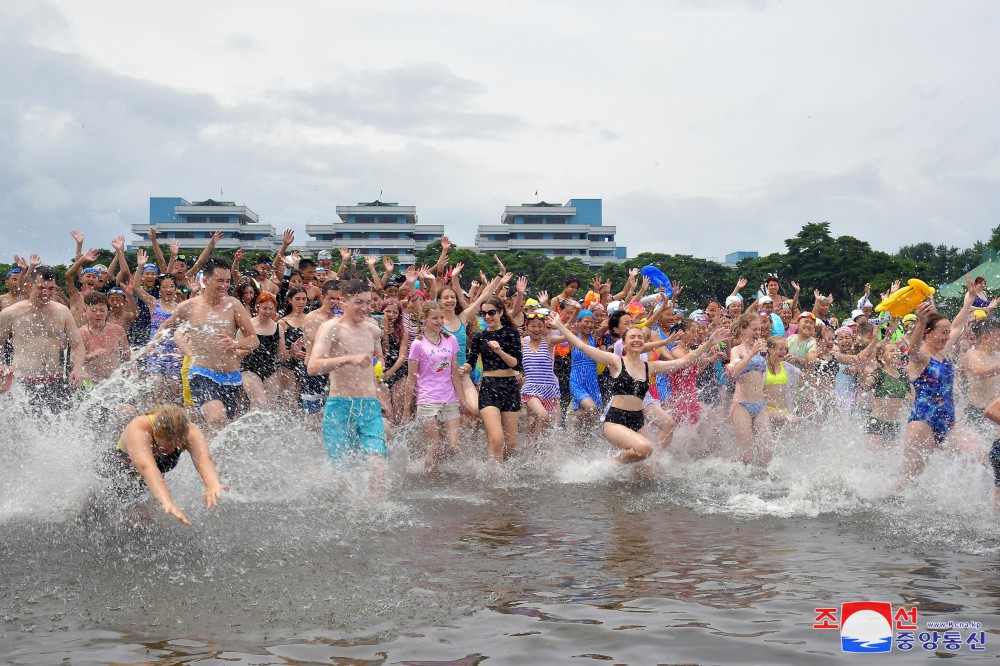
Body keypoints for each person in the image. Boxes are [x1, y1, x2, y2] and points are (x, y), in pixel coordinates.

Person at [548, 313, 728, 464]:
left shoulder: (651, 367)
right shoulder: (615, 362)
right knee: (645, 448)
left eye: (639, 337)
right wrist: (560, 326)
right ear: (623, 344)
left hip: (637, 420)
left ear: (644, 343)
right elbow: (581, 345)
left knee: (646, 471)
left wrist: (709, 342)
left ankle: (617, 469)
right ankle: (608, 468)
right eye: (632, 337)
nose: (636, 339)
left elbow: (683, 361)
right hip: (616, 420)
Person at [148, 257, 258, 428]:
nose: (225, 285)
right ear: (206, 281)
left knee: (225, 426)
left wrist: (236, 344)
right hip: (202, 372)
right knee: (216, 418)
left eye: (228, 281)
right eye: (220, 281)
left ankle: (206, 453)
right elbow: (167, 326)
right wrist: (151, 345)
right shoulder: (188, 306)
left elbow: (254, 340)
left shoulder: (233, 305)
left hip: (231, 375)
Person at [899, 277, 980, 485]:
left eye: (946, 333)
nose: (946, 337)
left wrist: (969, 300)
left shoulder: (942, 353)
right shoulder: (921, 357)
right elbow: (914, 348)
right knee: (909, 480)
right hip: (922, 424)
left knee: (978, 455)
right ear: (928, 333)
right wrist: (921, 322)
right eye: (942, 333)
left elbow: (957, 326)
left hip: (947, 423)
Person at [99, 405, 227, 525]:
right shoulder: (139, 428)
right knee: (97, 507)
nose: (170, 451)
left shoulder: (190, 431)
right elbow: (147, 468)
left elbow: (203, 459)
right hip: (118, 468)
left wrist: (212, 484)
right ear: (155, 432)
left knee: (143, 520)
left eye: (175, 446)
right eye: (163, 447)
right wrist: (167, 500)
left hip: (150, 475)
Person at [308, 279, 388, 468]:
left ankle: (377, 500)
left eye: (369, 303)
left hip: (369, 405)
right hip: (340, 405)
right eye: (359, 302)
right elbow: (312, 367)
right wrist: (349, 359)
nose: (365, 308)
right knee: (342, 470)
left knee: (377, 463)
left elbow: (378, 362)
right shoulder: (331, 328)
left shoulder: (373, 330)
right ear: (344, 301)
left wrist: (379, 393)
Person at [0, 267, 85, 413]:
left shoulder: (62, 311)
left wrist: (77, 369)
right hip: (23, 382)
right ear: (29, 286)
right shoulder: (11, 313)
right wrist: (2, 367)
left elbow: (77, 344)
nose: (46, 293)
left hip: (55, 381)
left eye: (51, 288)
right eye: (41, 288)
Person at [403, 302, 475, 472]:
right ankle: (430, 479)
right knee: (434, 443)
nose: (439, 321)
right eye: (434, 318)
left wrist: (463, 402)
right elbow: (411, 377)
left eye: (441, 317)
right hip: (427, 399)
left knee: (453, 446)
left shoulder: (451, 340)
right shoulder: (417, 344)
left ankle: (425, 462)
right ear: (425, 319)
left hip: (449, 398)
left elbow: (454, 375)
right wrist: (407, 408)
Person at [461, 296, 523, 462]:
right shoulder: (479, 337)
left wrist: (499, 351)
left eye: (491, 312)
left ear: (501, 312)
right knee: (497, 439)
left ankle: (505, 477)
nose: (487, 317)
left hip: (510, 387)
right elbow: (471, 362)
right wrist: (465, 369)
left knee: (511, 445)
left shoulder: (512, 333)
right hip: (489, 388)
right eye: (483, 313)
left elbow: (516, 364)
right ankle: (492, 478)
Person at [727, 314, 772, 466]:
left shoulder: (761, 349)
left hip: (760, 405)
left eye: (759, 329)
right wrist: (751, 353)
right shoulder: (737, 350)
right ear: (743, 330)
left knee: (767, 453)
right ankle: (725, 467)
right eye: (753, 329)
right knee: (746, 454)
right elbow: (734, 373)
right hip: (742, 404)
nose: (757, 332)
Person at [238, 292, 287, 410]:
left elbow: (282, 356)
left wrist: (292, 352)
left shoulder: (278, 327)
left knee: (270, 408)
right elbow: (236, 352)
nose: (268, 312)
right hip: (249, 369)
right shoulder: (247, 325)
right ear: (257, 307)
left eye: (271, 309)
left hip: (271, 371)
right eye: (264, 308)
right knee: (260, 404)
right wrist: (248, 350)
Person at [858, 342, 909, 447]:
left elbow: (912, 398)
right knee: (874, 459)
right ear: (881, 356)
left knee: (891, 460)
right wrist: (861, 371)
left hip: (895, 425)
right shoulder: (879, 373)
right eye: (891, 351)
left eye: (897, 351)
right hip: (877, 422)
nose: (896, 353)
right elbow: (865, 385)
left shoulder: (903, 376)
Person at [79, 291, 130, 385]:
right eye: (93, 310)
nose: (98, 314)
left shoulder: (118, 330)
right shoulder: (81, 333)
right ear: (85, 311)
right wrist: (91, 355)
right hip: (90, 382)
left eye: (102, 310)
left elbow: (128, 357)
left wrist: (132, 379)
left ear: (107, 312)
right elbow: (73, 360)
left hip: (114, 383)